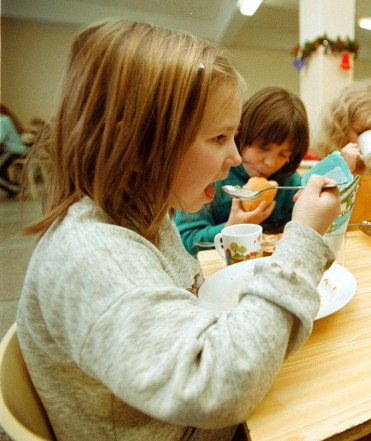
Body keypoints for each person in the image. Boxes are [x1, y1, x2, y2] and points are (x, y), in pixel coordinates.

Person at [16, 18, 341, 441]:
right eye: (219, 137)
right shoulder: (93, 255)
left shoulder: (149, 214)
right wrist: (304, 241)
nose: (235, 158)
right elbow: (220, 387)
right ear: (134, 147)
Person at [175, 86, 309, 257]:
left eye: (283, 154)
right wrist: (231, 228)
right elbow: (186, 242)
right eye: (263, 147)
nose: (270, 162)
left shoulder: (288, 181)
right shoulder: (212, 175)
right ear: (240, 133)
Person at [314, 79, 371, 224]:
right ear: (341, 130)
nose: (370, 137)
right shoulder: (328, 172)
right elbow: (320, 224)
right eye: (361, 132)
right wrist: (344, 173)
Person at [0, 104, 27, 198]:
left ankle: (14, 188)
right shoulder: (9, 119)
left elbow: (0, 138)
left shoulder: (2, 120)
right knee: (2, 168)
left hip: (12, 151)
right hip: (20, 151)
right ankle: (13, 188)